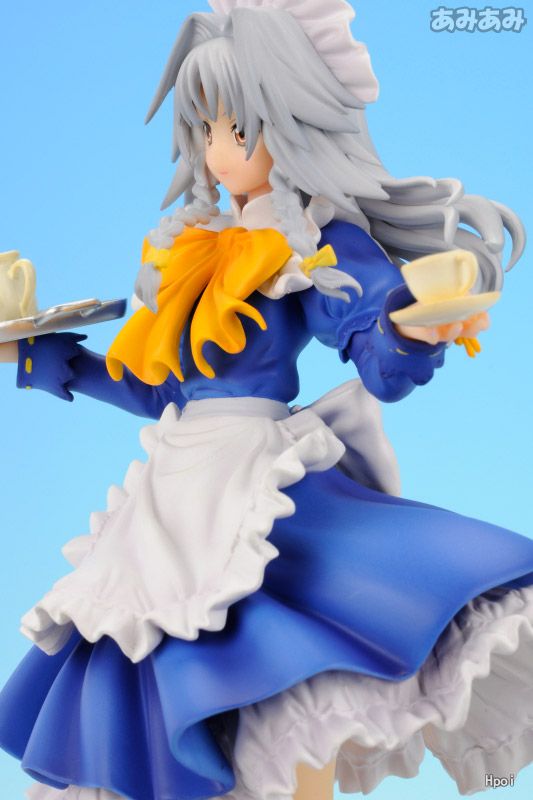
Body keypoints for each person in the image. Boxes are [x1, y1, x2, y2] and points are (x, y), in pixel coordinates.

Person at [0, 2, 531, 799]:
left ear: (295, 122)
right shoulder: (192, 251)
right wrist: (38, 353)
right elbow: (158, 386)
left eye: (239, 129)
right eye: (206, 129)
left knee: (292, 669)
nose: (219, 152)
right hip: (173, 492)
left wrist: (412, 329)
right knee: (154, 652)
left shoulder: (311, 244)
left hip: (259, 482)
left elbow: (373, 349)